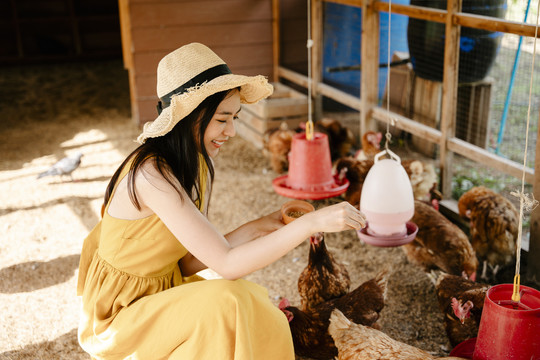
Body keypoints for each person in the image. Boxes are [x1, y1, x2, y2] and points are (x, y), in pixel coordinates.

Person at [76, 42, 366, 360]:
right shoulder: (152, 177)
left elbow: (187, 261)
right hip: (121, 311)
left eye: (235, 118)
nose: (232, 131)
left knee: (248, 300)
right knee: (227, 302)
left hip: (161, 288)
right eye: (222, 119)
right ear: (189, 117)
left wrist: (262, 226)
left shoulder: (196, 162)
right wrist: (311, 223)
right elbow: (227, 265)